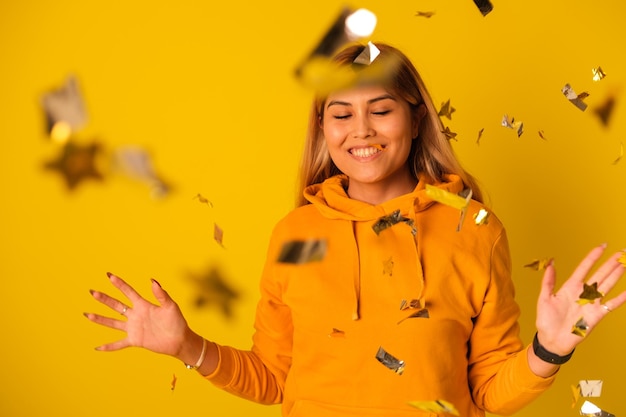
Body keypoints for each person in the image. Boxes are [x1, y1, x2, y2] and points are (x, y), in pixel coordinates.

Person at [85, 42, 626, 417]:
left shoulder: (475, 230)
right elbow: (275, 378)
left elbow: (487, 390)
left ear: (415, 120)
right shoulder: (296, 236)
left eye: (381, 109)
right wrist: (188, 345)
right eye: (341, 113)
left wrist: (550, 349)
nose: (361, 130)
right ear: (322, 129)